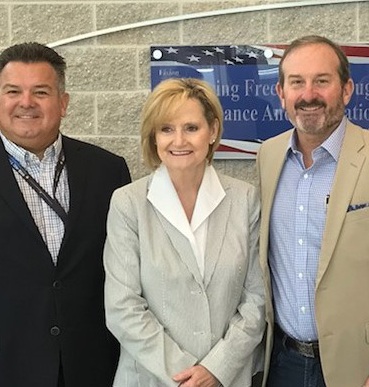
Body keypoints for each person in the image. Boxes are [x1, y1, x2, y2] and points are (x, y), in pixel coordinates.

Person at [256, 35, 369, 387]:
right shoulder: (269, 157)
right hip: (282, 364)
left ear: (347, 89)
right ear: (281, 93)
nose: (309, 94)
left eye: (322, 81)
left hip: (365, 368)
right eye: (297, 83)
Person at [0, 42, 131, 386]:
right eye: (13, 91)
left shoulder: (108, 170)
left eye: (41, 92)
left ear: (63, 103)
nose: (26, 102)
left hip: (92, 365)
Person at [104, 78, 265, 387]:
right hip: (152, 380)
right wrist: (186, 376)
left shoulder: (245, 199)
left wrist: (216, 369)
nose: (179, 141)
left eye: (191, 128)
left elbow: (257, 300)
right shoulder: (128, 203)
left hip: (226, 379)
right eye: (166, 129)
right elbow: (122, 307)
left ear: (213, 131)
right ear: (153, 137)